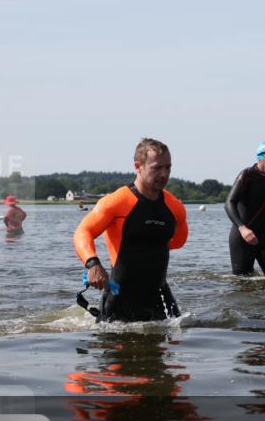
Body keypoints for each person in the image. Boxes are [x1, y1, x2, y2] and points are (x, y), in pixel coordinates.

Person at [73, 138, 188, 322]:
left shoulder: (175, 207)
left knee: (179, 343)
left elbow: (179, 241)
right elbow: (83, 232)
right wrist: (93, 264)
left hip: (160, 299)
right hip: (119, 300)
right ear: (138, 166)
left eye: (168, 167)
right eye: (157, 168)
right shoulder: (117, 202)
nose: (164, 174)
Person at [225, 141, 265, 275]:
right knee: (243, 283)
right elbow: (229, 202)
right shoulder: (247, 175)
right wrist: (242, 228)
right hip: (243, 238)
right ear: (260, 159)